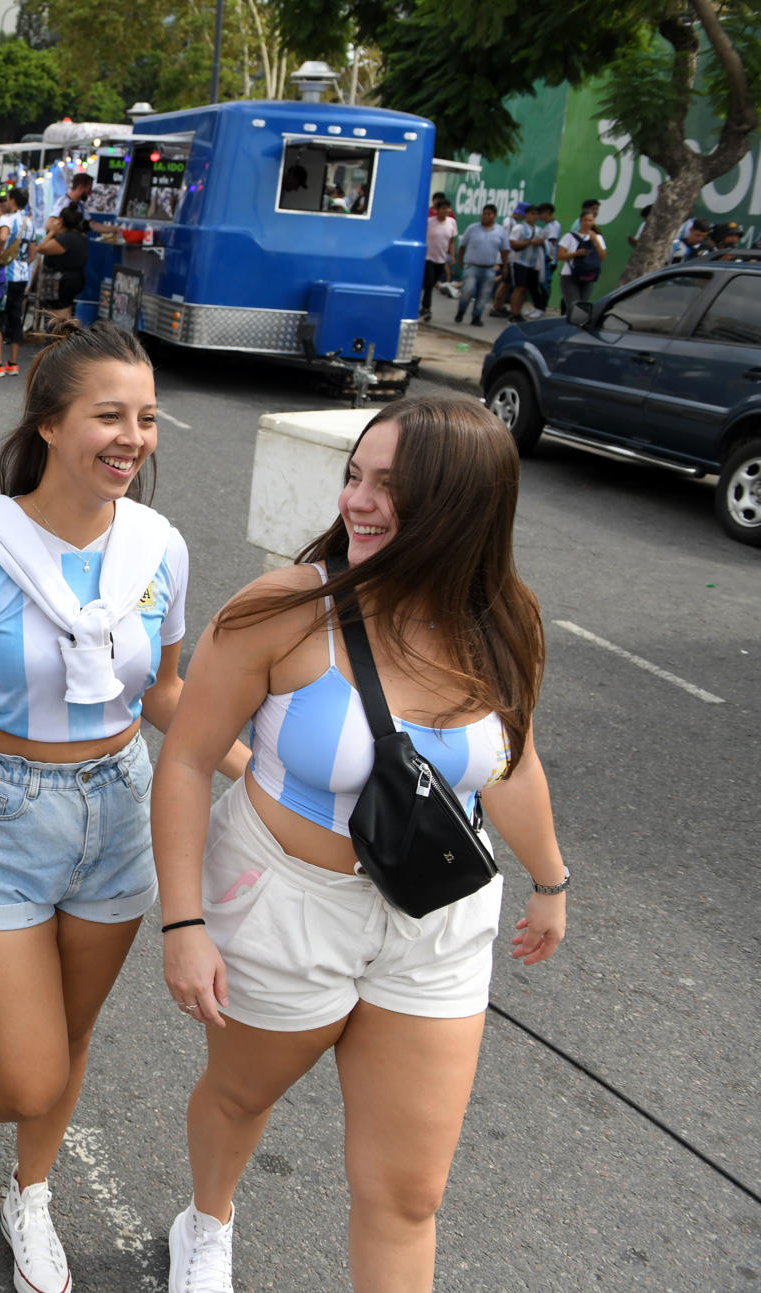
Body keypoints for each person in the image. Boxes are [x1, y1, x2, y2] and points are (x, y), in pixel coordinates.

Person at [153, 395, 567, 1293]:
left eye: (390, 485)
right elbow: (186, 759)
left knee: (409, 1192)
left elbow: (512, 763)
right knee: (242, 1095)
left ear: (464, 507)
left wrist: (552, 879)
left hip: (438, 925)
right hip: (284, 903)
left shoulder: (506, 622)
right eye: (354, 476)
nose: (357, 502)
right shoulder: (283, 610)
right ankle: (207, 1219)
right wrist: (182, 922)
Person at [0, 323, 246, 1293]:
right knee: (32, 1067)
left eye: (147, 418)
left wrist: (250, 763)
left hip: (118, 812)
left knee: (73, 1037)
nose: (133, 437)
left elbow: (163, 694)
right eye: (109, 417)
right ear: (48, 425)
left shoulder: (159, 550)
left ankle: (31, 1194)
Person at [0, 188, 37, 377]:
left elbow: (4, 237)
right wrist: (25, 264)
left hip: (5, 275)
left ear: (13, 200)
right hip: (22, 275)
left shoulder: (7, 219)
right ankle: (13, 363)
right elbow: (33, 249)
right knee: (15, 318)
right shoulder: (29, 222)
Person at [31, 202, 89, 319]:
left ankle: (59, 336)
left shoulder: (66, 238)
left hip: (62, 283)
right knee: (65, 309)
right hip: (73, 280)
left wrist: (52, 232)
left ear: (61, 221)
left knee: (59, 314)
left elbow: (41, 248)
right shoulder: (78, 236)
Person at [454, 203, 505, 327]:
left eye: (489, 214)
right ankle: (461, 311)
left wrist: (506, 267)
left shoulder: (500, 231)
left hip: (489, 268)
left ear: (494, 216)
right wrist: (460, 261)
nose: (486, 216)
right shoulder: (472, 228)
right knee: (467, 290)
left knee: (483, 295)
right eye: (484, 213)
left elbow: (505, 250)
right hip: (472, 266)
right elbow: (462, 246)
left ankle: (476, 317)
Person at [556, 209, 606, 314]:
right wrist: (576, 254)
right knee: (573, 306)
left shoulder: (598, 237)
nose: (588, 223)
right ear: (580, 221)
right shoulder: (569, 237)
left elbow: (602, 257)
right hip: (570, 275)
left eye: (590, 220)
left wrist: (595, 240)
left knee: (583, 307)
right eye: (585, 220)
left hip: (589, 275)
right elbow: (560, 255)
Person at [504, 205, 546, 321]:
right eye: (532, 214)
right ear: (526, 215)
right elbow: (512, 244)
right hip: (519, 262)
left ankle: (519, 313)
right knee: (519, 288)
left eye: (536, 214)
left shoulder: (538, 230)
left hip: (532, 264)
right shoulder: (519, 228)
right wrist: (530, 242)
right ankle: (514, 313)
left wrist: (540, 243)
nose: (535, 216)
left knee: (525, 289)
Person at [421, 197, 455, 321]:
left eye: (447, 208)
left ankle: (423, 306)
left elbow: (452, 241)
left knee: (431, 283)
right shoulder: (429, 222)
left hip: (441, 259)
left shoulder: (451, 222)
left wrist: (452, 256)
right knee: (429, 284)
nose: (445, 211)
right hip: (428, 257)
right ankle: (426, 308)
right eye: (443, 208)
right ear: (438, 210)